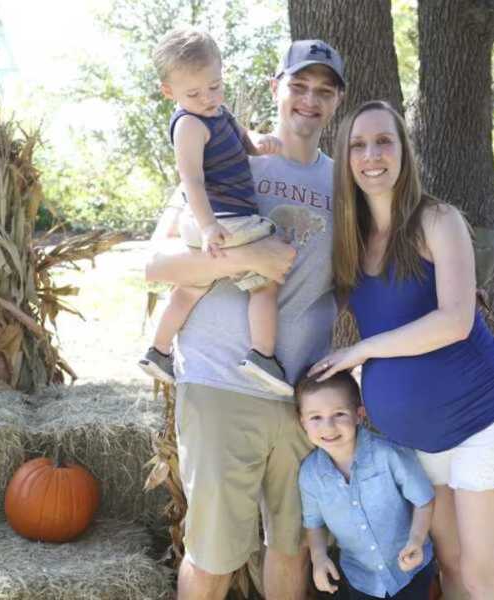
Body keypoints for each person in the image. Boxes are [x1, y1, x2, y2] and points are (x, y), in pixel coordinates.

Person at [309, 101, 494, 600]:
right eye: (358, 145)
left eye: (384, 141)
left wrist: (361, 352)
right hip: (417, 447)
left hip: (486, 422)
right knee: (452, 568)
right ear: (344, 158)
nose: (372, 155)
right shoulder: (352, 241)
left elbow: (456, 321)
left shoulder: (437, 220)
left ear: (403, 150)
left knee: (484, 578)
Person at [144, 39, 346, 600]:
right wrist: (246, 258)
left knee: (292, 549)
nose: (309, 100)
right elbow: (156, 264)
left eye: (324, 91)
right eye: (298, 86)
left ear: (336, 103)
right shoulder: (224, 152)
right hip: (219, 383)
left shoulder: (344, 185)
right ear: (275, 86)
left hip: (299, 395)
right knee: (211, 557)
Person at [139, 26, 291, 395]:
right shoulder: (189, 124)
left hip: (218, 220)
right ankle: (263, 355)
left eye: (214, 86)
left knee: (189, 290)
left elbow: (245, 140)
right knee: (266, 280)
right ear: (169, 92)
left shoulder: (219, 113)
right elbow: (190, 179)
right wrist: (208, 227)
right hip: (222, 218)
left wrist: (261, 141)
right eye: (193, 93)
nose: (207, 98)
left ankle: (158, 351)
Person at [296, 371, 435, 600]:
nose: (328, 426)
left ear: (359, 415)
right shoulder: (310, 475)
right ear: (303, 422)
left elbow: (424, 500)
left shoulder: (389, 455)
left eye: (339, 414)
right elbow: (313, 523)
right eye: (315, 417)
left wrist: (416, 541)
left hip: (410, 568)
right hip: (360, 578)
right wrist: (318, 557)